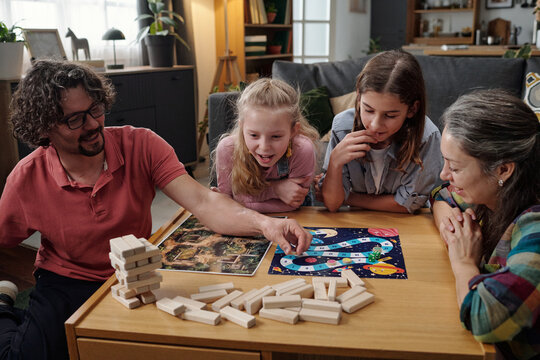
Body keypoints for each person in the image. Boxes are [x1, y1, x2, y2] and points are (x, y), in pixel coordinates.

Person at [0, 60, 312, 360]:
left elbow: (204, 202)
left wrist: (266, 224)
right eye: (75, 119)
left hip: (137, 274)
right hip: (66, 280)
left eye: (95, 109)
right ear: (44, 127)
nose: (94, 124)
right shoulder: (26, 178)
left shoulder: (141, 144)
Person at [430, 89, 539, 360]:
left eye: (454, 167)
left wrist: (463, 263)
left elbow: (485, 318)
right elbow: (440, 193)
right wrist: (450, 225)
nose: (445, 173)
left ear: (503, 169)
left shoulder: (534, 229)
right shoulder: (492, 194)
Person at [319, 50, 443, 213]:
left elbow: (407, 206)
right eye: (368, 110)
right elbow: (332, 204)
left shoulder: (427, 138)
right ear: (358, 98)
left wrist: (349, 197)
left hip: (407, 226)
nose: (376, 125)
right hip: (355, 224)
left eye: (390, 115)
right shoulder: (342, 127)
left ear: (412, 109)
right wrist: (335, 162)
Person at [214, 78, 319, 213]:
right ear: (242, 127)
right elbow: (226, 204)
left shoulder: (302, 149)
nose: (264, 147)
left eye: (275, 136)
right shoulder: (227, 149)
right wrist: (276, 189)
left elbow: (293, 204)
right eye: (253, 135)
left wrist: (239, 201)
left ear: (293, 130)